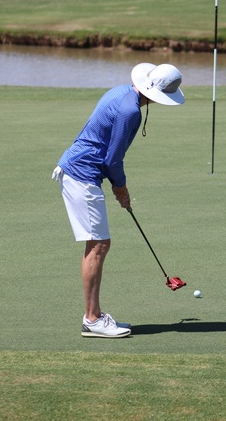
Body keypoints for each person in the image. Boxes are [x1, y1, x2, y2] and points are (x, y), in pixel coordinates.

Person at [52, 63, 185, 338]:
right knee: (98, 244)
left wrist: (117, 185)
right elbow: (113, 159)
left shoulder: (121, 91)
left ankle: (94, 317)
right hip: (82, 174)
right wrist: (121, 188)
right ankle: (92, 320)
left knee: (98, 243)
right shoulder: (131, 111)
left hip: (77, 168)